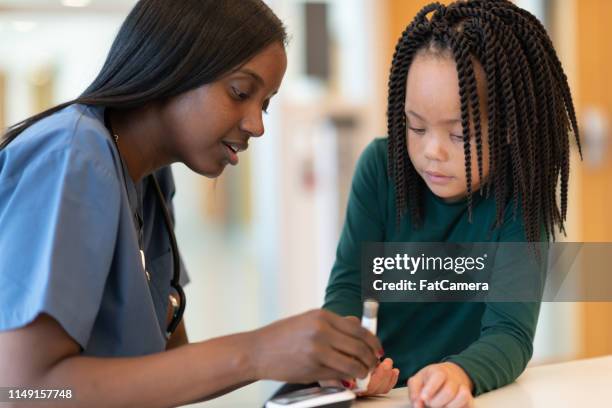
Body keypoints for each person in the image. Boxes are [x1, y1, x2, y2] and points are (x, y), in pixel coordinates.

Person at [0, 1, 384, 406]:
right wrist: (257, 352)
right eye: (240, 92)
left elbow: (169, 365)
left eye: (265, 103)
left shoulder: (150, 179)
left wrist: (304, 364)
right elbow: (23, 388)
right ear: (171, 65)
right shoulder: (73, 156)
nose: (257, 125)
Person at [323, 0, 581, 407]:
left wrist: (458, 372)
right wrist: (343, 359)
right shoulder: (380, 167)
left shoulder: (520, 199)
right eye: (416, 126)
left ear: (510, 130)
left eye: (460, 136)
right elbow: (348, 288)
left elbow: (510, 334)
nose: (432, 151)